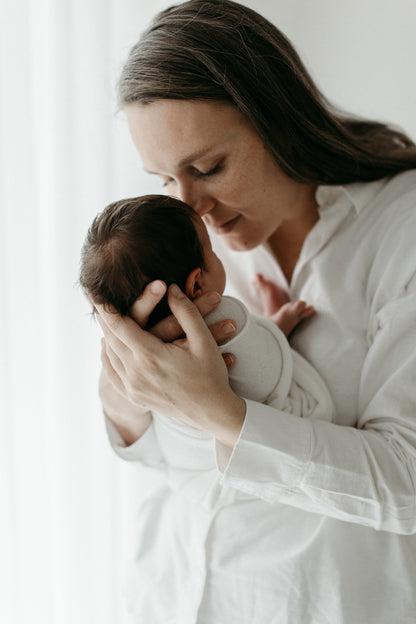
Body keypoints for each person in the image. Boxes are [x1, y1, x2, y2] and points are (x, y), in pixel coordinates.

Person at [94, 1, 416, 622]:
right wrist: (124, 397)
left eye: (208, 167)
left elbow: (407, 482)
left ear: (280, 120)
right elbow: (160, 460)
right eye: (164, 180)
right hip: (170, 592)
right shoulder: (182, 256)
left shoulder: (399, 232)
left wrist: (225, 415)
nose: (192, 210)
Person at [80, 194, 333, 428]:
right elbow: (262, 367)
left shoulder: (139, 358)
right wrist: (273, 328)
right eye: (211, 250)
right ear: (197, 284)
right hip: (294, 419)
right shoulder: (226, 317)